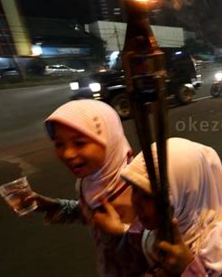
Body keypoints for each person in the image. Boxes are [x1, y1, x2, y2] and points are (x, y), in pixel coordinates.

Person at [27, 99, 148, 276]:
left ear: (109, 139)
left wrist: (120, 234)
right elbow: (94, 216)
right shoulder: (89, 181)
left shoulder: (140, 189)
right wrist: (60, 207)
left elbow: (166, 252)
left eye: (80, 143)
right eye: (59, 143)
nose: (67, 154)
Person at [120, 137, 222, 276]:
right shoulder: (156, 223)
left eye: (148, 197)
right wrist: (118, 232)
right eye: (134, 189)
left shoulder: (218, 250)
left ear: (185, 196)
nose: (135, 202)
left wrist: (186, 267)